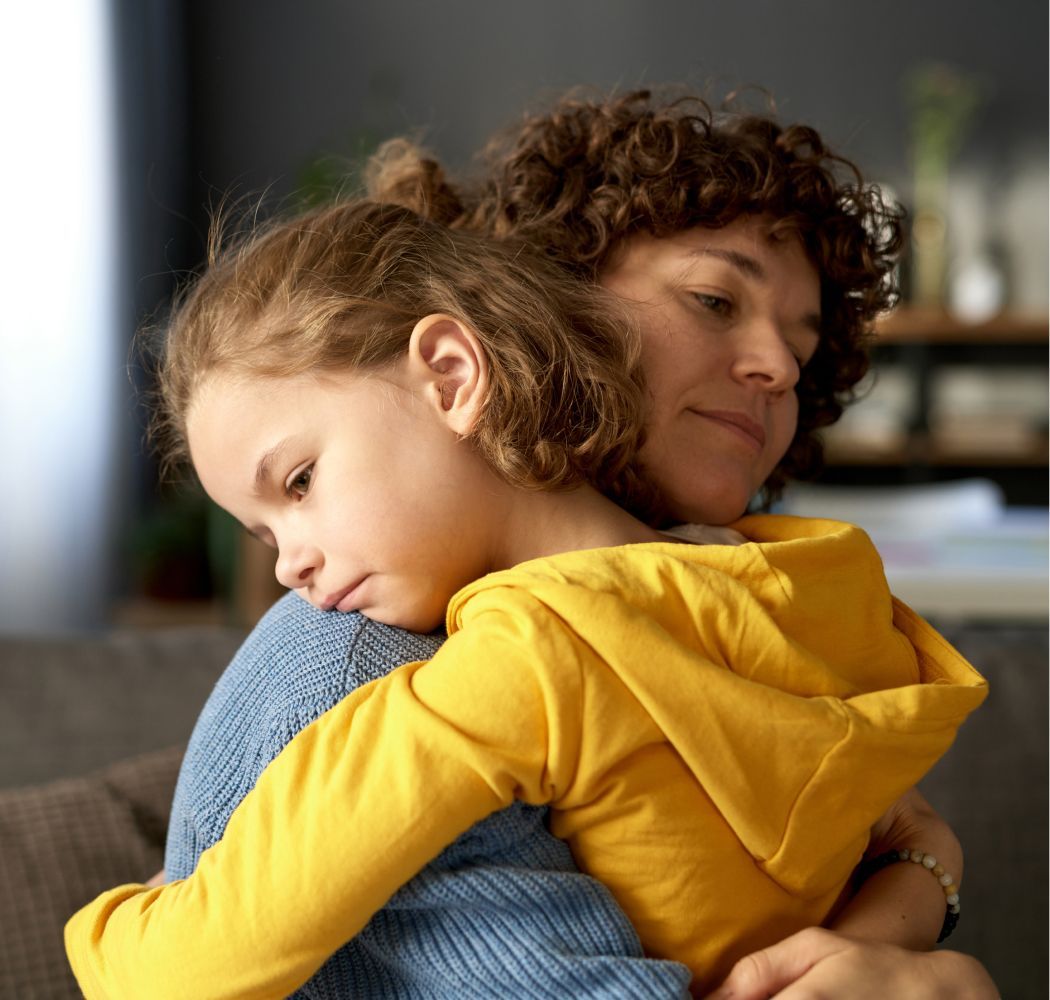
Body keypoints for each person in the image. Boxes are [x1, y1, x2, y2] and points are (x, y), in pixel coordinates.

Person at [64, 194, 986, 1000]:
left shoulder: (518, 666)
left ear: (454, 377)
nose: (287, 571)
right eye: (265, 534)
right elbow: (900, 823)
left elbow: (192, 966)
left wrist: (105, 925)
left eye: (299, 483)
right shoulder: (811, 577)